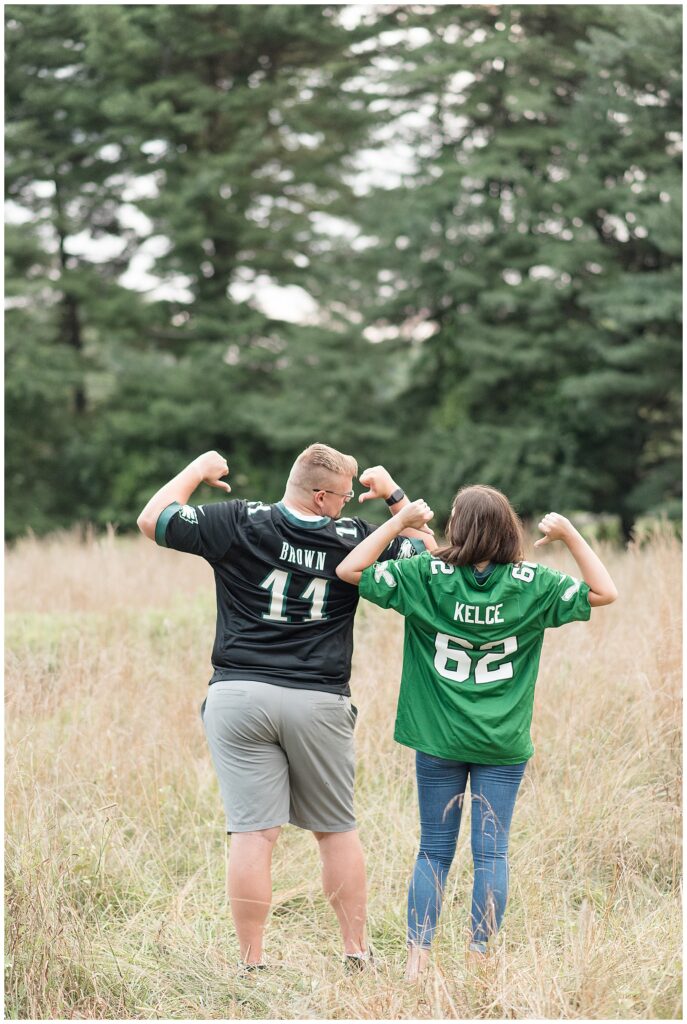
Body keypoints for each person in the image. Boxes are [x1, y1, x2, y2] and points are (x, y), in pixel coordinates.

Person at [136, 444, 436, 971]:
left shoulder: (237, 519)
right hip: (317, 699)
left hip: (238, 695)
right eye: (341, 497)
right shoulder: (358, 538)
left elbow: (152, 518)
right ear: (320, 496)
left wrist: (198, 470)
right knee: (336, 829)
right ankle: (356, 954)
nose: (346, 505)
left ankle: (252, 963)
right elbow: (428, 555)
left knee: (253, 833)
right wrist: (393, 496)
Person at [335, 485, 618, 981]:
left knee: (433, 851)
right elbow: (604, 592)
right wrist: (571, 532)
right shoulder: (531, 582)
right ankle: (479, 959)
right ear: (510, 528)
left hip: (438, 737)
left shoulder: (427, 574)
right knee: (492, 852)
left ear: (457, 528)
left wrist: (398, 524)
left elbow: (350, 570)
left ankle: (416, 965)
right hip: (502, 742)